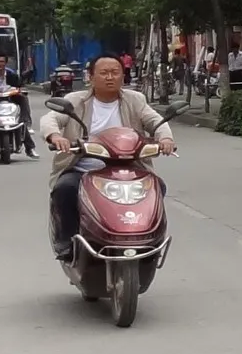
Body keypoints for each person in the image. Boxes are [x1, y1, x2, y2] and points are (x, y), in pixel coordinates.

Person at [41, 54, 177, 259]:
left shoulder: (136, 99)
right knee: (65, 189)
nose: (110, 77)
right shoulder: (75, 101)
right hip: (83, 168)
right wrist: (55, 136)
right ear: (91, 77)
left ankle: (152, 240)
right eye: (103, 73)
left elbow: (155, 120)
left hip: (128, 169)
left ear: (123, 76)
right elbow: (50, 119)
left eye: (115, 72)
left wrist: (165, 138)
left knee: (158, 188)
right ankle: (66, 241)